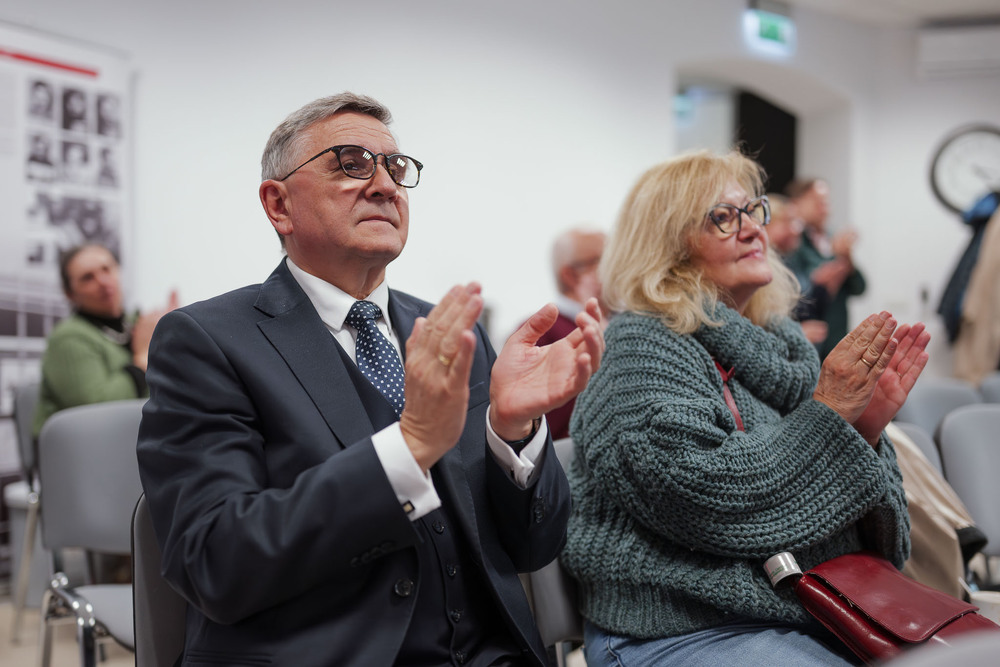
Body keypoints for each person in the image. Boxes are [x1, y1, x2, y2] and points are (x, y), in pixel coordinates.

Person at [136, 92, 603, 667]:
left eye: (395, 167)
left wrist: (513, 430)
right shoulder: (206, 341)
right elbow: (217, 565)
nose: (384, 185)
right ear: (278, 204)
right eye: (350, 164)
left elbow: (534, 547)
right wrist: (407, 450)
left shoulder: (451, 333)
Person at [561, 150, 930, 666]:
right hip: (678, 628)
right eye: (723, 216)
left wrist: (862, 427)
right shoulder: (642, 348)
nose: (755, 230)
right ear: (668, 245)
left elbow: (882, 536)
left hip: (806, 610)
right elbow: (705, 497)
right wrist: (830, 418)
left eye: (753, 210)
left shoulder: (783, 348)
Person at [33, 244, 176, 439]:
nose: (102, 281)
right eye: (87, 277)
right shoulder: (67, 338)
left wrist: (176, 336)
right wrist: (142, 358)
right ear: (70, 293)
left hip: (140, 439)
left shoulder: (137, 324)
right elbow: (98, 411)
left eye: (106, 269)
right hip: (88, 452)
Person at [534, 227, 606, 439]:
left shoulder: (623, 323)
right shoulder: (542, 331)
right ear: (571, 275)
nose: (618, 268)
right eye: (604, 260)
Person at [783, 178, 866, 359]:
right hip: (806, 339)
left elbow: (860, 288)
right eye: (817, 201)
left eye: (826, 201)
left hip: (836, 336)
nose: (824, 207)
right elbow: (793, 290)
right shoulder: (791, 241)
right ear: (797, 203)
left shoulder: (833, 238)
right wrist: (833, 262)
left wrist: (846, 257)